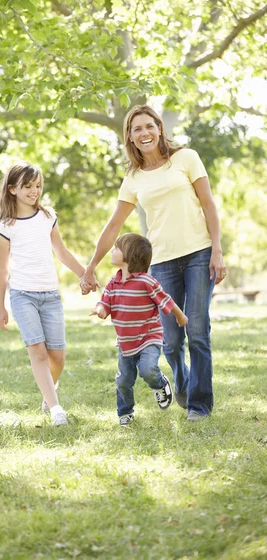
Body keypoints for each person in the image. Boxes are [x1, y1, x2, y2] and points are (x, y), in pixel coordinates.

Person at [81, 105, 226, 422]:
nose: (144, 133)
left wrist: (217, 249)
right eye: (137, 129)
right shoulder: (132, 178)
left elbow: (208, 204)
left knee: (197, 331)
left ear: (159, 128)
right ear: (130, 138)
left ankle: (199, 405)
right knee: (171, 342)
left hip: (199, 254)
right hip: (160, 262)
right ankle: (184, 385)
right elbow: (114, 226)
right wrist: (91, 266)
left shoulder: (186, 158)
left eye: (149, 126)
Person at [0, 162, 85, 427]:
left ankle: (48, 396)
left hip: (51, 295)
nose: (34, 191)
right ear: (12, 189)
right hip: (23, 295)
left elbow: (62, 252)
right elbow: (2, 268)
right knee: (39, 353)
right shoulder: (5, 225)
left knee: (58, 357)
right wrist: (1, 306)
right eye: (27, 186)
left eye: (37, 186)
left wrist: (84, 274)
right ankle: (56, 409)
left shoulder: (47, 217)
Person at [91, 233, 188, 426]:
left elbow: (166, 299)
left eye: (117, 248)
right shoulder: (113, 283)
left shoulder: (146, 282)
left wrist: (180, 316)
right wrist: (100, 310)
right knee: (124, 380)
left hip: (149, 337)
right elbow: (105, 304)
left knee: (147, 369)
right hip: (126, 342)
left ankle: (160, 384)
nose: (112, 251)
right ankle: (125, 412)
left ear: (130, 255)